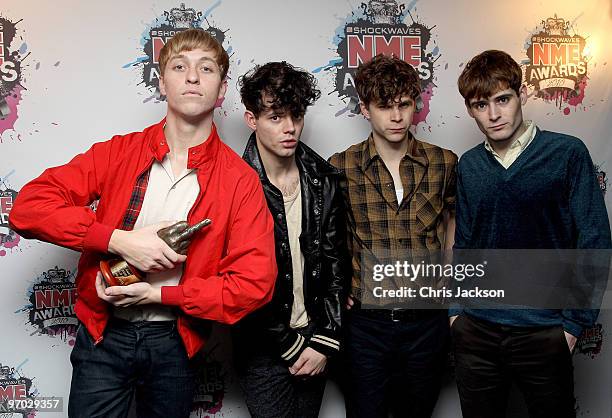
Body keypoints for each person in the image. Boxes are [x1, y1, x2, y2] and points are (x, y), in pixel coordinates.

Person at [9, 28, 277, 418]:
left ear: (221, 89)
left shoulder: (239, 181)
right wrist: (119, 240)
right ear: (161, 80)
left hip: (174, 342)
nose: (191, 77)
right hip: (105, 335)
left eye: (206, 68)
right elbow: (28, 208)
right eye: (179, 66)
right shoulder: (119, 153)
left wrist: (160, 296)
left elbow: (254, 283)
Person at [450, 49, 611, 418]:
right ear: (470, 110)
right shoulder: (470, 165)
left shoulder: (567, 153)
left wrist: (572, 326)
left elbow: (594, 240)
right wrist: (457, 312)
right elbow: (466, 245)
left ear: (522, 96)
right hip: (477, 333)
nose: (493, 114)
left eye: (502, 100)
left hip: (544, 330)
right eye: (480, 105)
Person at [328, 54, 457, 418]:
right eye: (385, 107)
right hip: (367, 325)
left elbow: (455, 218)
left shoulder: (444, 162)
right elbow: (327, 236)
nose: (397, 116)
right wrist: (339, 288)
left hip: (426, 323)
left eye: (404, 105)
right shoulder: (341, 166)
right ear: (365, 109)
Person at [233, 61, 350, 418]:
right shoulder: (236, 184)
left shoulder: (324, 178)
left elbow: (335, 262)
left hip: (315, 340)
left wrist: (324, 340)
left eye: (296, 115)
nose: (290, 128)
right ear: (251, 120)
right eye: (275, 117)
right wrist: (289, 346)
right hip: (263, 346)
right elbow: (238, 279)